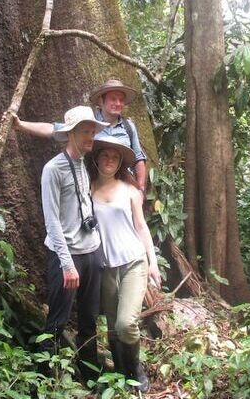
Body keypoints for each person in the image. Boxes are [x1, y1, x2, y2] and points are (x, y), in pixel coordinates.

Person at [86, 134, 161, 392]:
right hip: (106, 266)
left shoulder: (130, 190)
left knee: (125, 323)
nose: (109, 159)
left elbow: (141, 227)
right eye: (105, 155)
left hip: (133, 262)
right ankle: (120, 372)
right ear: (97, 159)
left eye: (115, 156)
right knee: (111, 326)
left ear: (120, 163)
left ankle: (136, 368)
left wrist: (153, 263)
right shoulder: (89, 189)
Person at [39, 105, 108, 382]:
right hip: (65, 257)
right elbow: (52, 221)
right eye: (85, 131)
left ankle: (90, 374)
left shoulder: (83, 163)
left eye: (92, 130)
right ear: (70, 134)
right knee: (57, 322)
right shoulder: (52, 169)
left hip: (91, 252)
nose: (91, 136)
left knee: (89, 320)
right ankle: (45, 379)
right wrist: (67, 264)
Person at [12, 79, 149, 195]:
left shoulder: (129, 126)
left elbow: (138, 159)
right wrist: (20, 125)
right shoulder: (88, 122)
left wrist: (140, 189)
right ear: (101, 101)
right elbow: (53, 129)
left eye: (121, 100)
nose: (118, 103)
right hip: (91, 184)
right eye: (113, 99)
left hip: (121, 186)